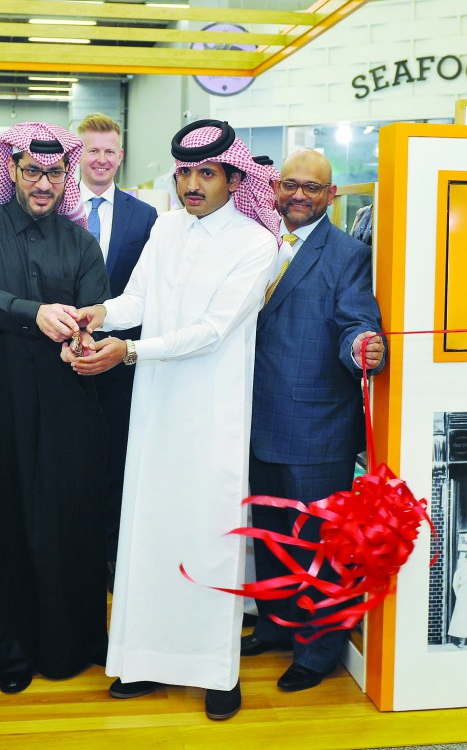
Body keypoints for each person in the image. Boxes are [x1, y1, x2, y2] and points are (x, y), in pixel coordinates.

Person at [67, 119, 279, 721]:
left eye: (206, 173)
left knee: (208, 541)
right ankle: (142, 661)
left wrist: (130, 351)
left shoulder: (255, 243)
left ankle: (216, 673)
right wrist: (98, 314)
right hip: (156, 408)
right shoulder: (166, 228)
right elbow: (140, 301)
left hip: (210, 415)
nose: (192, 184)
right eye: (185, 172)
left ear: (234, 178)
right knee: (149, 535)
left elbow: (213, 332)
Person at [0, 122, 110, 694]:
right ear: (12, 172)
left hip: (68, 404)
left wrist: (85, 327)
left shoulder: (80, 240)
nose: (44, 183)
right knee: (2, 522)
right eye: (32, 171)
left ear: (67, 176)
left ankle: (70, 643)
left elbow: (96, 301)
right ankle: (6, 650)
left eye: (54, 173)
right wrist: (33, 312)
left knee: (66, 520)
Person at [240, 149, 385, 692]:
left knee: (320, 549)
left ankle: (318, 650)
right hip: (256, 424)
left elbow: (356, 322)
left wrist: (363, 348)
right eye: (291, 185)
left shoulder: (346, 254)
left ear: (331, 196)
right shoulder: (259, 245)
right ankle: (278, 626)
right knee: (273, 538)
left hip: (316, 430)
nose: (299, 196)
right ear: (275, 188)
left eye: (313, 189)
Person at [75, 113, 159, 590]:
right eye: (93, 150)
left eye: (110, 151)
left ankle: (111, 556)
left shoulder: (144, 216)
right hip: (63, 357)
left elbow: (145, 292)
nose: (102, 159)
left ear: (120, 156)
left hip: (122, 362)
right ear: (78, 155)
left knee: (117, 460)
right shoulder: (58, 209)